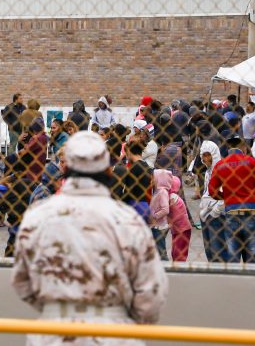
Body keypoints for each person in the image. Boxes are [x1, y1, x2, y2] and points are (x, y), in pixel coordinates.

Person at [11, 131, 168, 346]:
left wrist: (54, 309)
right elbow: (151, 293)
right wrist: (123, 318)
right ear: (107, 170)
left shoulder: (38, 216)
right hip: (113, 333)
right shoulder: (127, 220)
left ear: (65, 168)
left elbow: (22, 281)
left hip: (52, 333)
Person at [209, 134, 255, 263]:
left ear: (228, 147)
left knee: (233, 255)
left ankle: (234, 281)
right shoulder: (251, 161)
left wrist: (226, 196)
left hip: (231, 211)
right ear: (243, 147)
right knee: (252, 254)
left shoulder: (220, 165)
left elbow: (212, 191)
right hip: (252, 211)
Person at [0, 158, 38, 257]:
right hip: (28, 219)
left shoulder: (17, 182)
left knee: (12, 247)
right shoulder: (31, 181)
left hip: (16, 219)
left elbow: (1, 203)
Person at [198, 141, 227, 262]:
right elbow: (206, 192)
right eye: (203, 155)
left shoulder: (222, 169)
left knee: (217, 251)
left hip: (217, 216)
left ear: (214, 154)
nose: (205, 158)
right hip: (206, 214)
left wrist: (215, 211)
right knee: (209, 251)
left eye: (207, 155)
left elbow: (226, 194)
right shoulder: (208, 171)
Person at [120, 135, 153, 222]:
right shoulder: (146, 166)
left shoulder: (134, 168)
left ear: (129, 151)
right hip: (144, 205)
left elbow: (128, 191)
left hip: (134, 207)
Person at [17, 118, 48, 183]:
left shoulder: (36, 138)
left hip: (31, 170)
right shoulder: (44, 137)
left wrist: (19, 141)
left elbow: (21, 153)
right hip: (39, 168)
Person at [150, 169, 172, 260]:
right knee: (157, 249)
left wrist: (154, 216)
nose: (151, 179)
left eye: (153, 178)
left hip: (159, 226)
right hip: (155, 225)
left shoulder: (162, 192)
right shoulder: (157, 191)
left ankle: (166, 268)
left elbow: (165, 209)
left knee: (161, 250)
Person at [168, 176, 192, 261]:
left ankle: (180, 270)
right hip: (177, 229)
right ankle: (177, 267)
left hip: (183, 229)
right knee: (175, 252)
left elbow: (165, 211)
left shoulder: (172, 198)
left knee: (179, 253)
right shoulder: (172, 196)